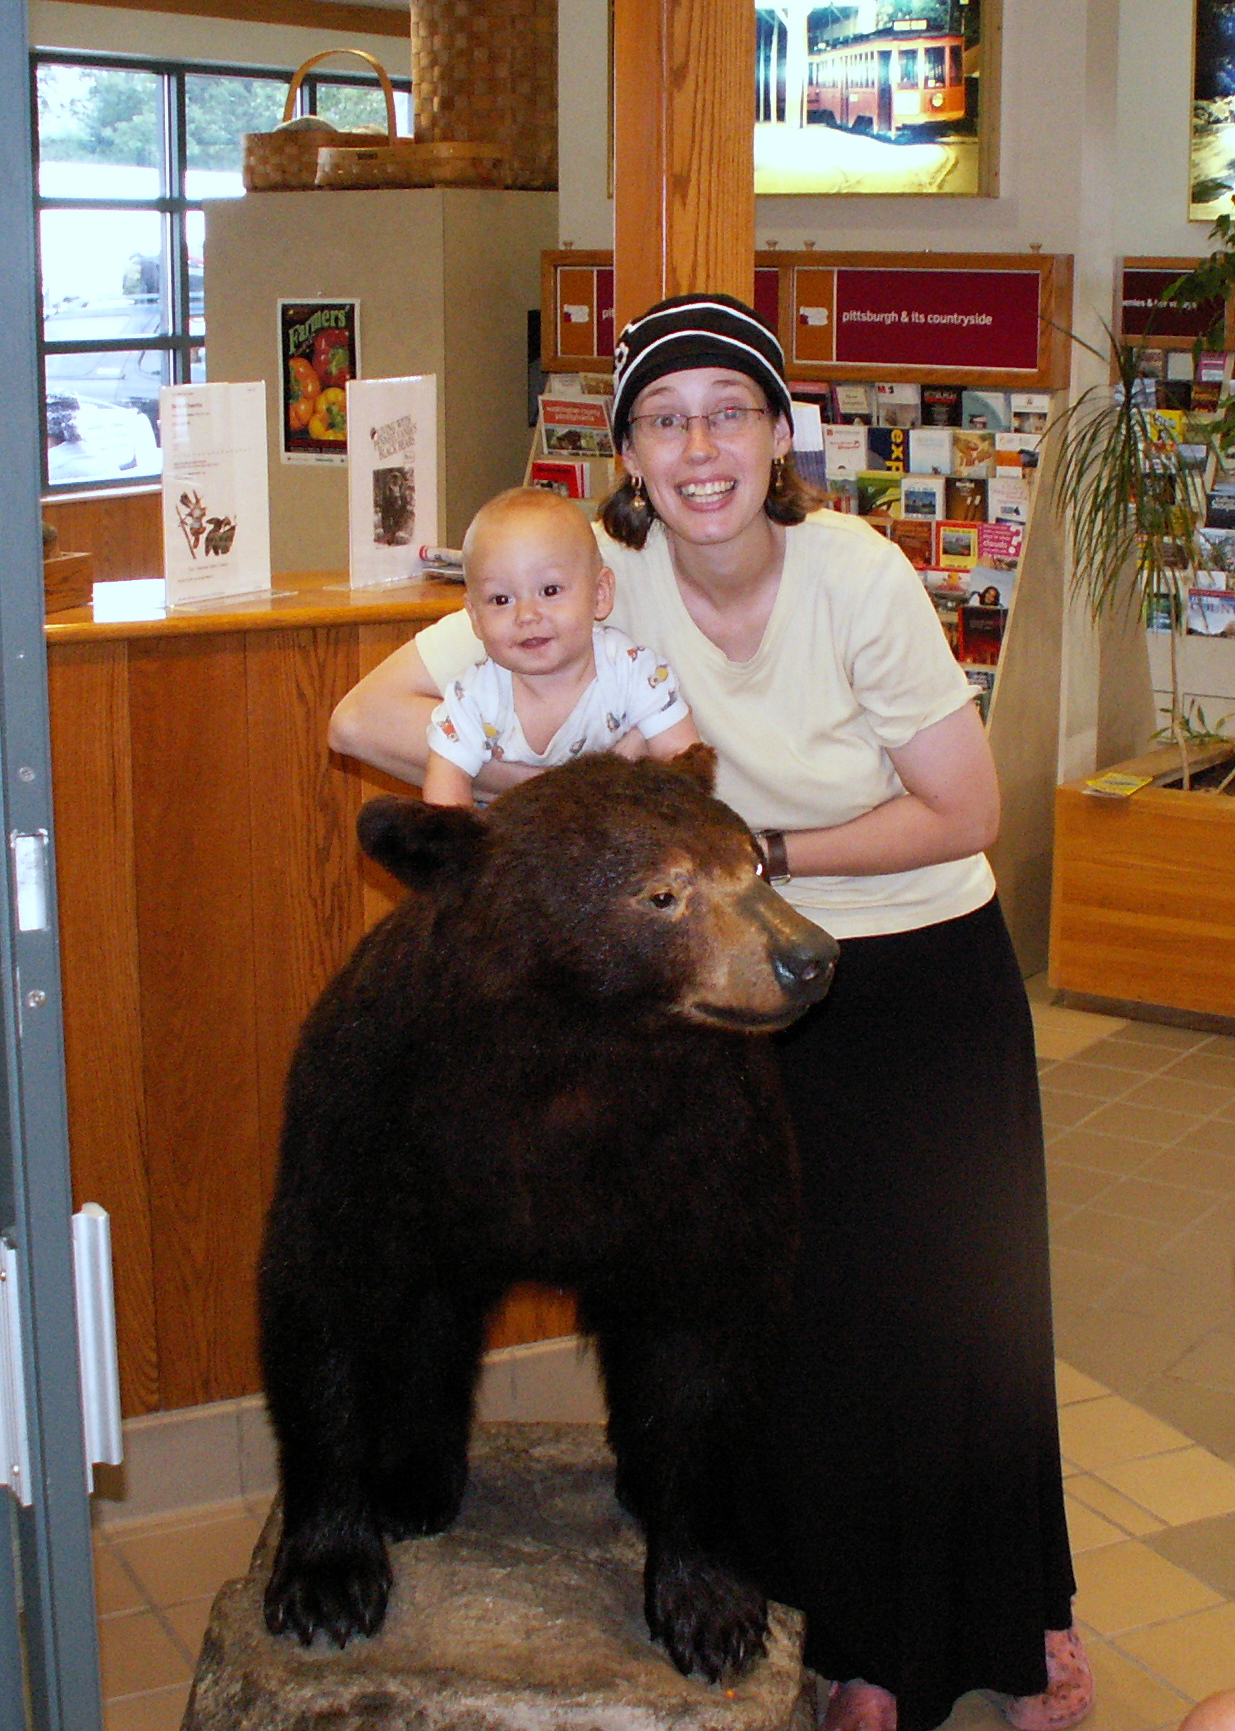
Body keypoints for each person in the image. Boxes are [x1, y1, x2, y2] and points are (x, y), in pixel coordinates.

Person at [327, 293, 1091, 1731]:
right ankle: (842, 1630)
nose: (698, 449)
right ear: (623, 454)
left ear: (778, 432)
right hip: (720, 987)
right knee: (777, 1310)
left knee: (948, 1303)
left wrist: (745, 854)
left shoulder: (855, 573)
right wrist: (581, 819)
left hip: (911, 962)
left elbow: (964, 809)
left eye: (727, 413)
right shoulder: (591, 577)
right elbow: (363, 716)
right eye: (663, 421)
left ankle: (1000, 1614)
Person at [422, 486, 698, 807]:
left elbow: (683, 763)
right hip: (509, 835)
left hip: (620, 829)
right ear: (475, 617)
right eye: (501, 599)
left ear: (600, 593)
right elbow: (446, 797)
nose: (526, 615)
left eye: (550, 591)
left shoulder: (632, 672)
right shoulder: (472, 697)